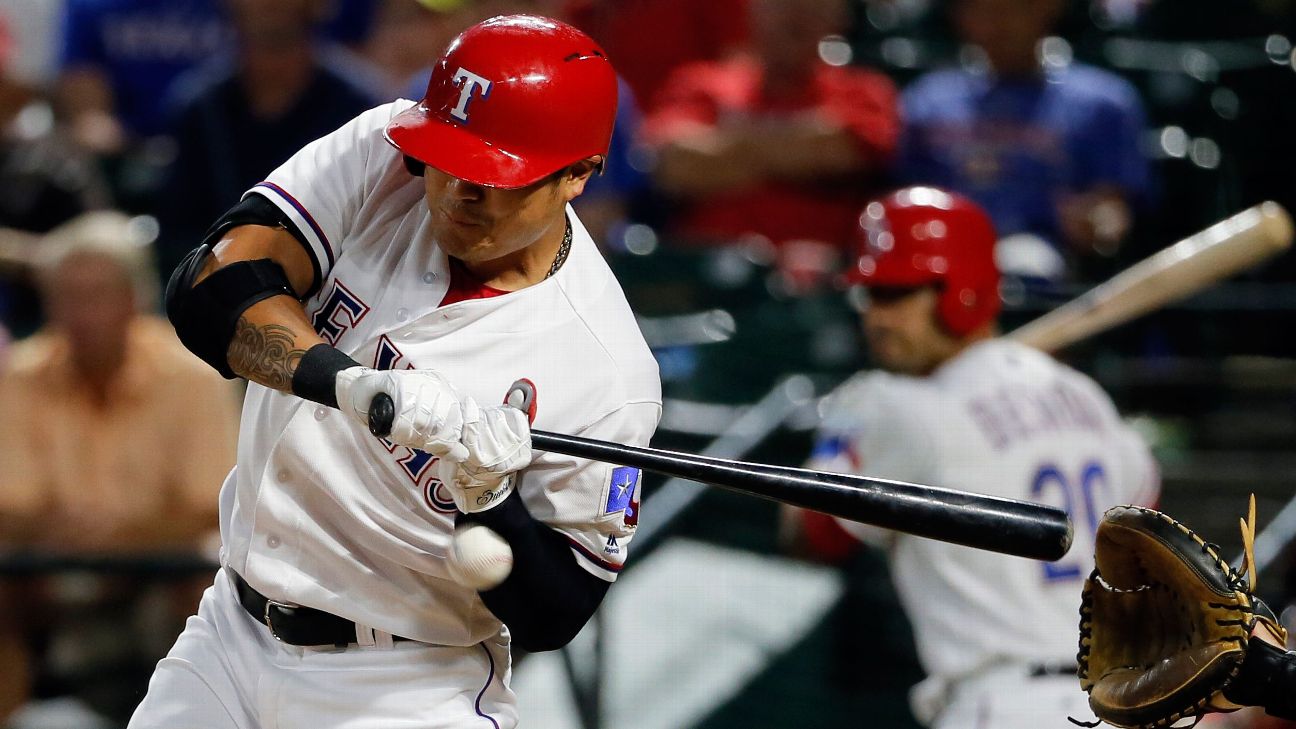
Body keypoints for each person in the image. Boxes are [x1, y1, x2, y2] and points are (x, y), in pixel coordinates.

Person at [129, 14, 661, 729]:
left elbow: (556, 611)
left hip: (404, 683)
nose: (458, 190)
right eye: (447, 157)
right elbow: (209, 290)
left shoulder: (605, 370)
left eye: (493, 173)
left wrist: (489, 497)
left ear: (578, 175)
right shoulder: (384, 152)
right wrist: (353, 384)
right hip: (229, 633)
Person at [784, 186, 1160, 729]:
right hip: (1120, 704)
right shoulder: (1085, 396)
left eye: (897, 293)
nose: (876, 317)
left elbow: (811, 535)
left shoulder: (894, 406)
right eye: (870, 296)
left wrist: (838, 435)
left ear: (962, 290)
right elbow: (1145, 503)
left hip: (1003, 704)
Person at [0, 210, 239, 724]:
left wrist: (118, 536)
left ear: (135, 299)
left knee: (208, 585)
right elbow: (10, 506)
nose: (80, 314)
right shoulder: (18, 375)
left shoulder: (192, 377)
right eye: (66, 296)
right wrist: (78, 536)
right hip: (45, 572)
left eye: (96, 296)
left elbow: (209, 503)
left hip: (160, 568)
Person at [897, 0, 1151, 280]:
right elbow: (903, 198)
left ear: (1048, 8)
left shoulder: (1102, 102)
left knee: (1023, 263)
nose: (999, 23)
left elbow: (1112, 207)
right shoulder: (927, 100)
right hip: (940, 251)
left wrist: (1096, 224)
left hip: (1043, 257)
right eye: (982, 9)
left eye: (1014, 8)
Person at [641, 0, 898, 272]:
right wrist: (805, 146)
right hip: (708, 276)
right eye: (779, 3)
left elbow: (847, 151)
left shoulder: (864, 93)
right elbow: (676, 166)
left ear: (840, 17)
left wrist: (724, 146)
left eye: (816, 4)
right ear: (751, 10)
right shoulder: (700, 85)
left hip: (824, 285)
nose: (795, 14)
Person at [156, 0, 382, 283]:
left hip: (331, 290)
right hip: (219, 294)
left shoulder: (361, 108)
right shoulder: (199, 107)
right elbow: (178, 235)